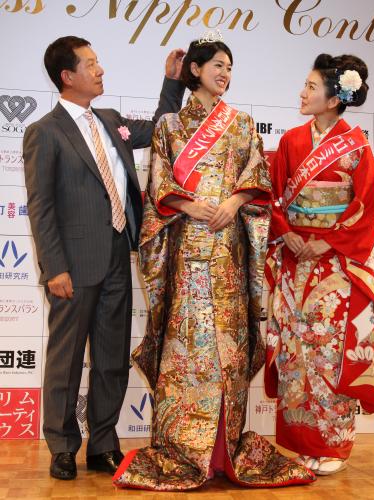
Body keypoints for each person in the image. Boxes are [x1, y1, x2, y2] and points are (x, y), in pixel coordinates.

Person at [113, 35, 314, 491]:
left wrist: (235, 201)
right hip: (187, 248)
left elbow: (258, 178)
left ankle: (225, 450)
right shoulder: (169, 126)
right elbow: (159, 182)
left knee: (228, 345)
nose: (225, 74)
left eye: (229, 67)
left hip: (228, 250)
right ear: (196, 69)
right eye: (218, 65)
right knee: (190, 347)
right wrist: (188, 206)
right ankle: (185, 448)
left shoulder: (241, 124)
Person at [23, 35, 186, 480]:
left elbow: (161, 128)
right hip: (72, 267)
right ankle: (62, 446)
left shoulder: (111, 120)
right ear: (67, 76)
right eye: (91, 64)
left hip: (117, 255)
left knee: (112, 358)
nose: (100, 70)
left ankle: (102, 444)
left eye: (99, 62)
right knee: (66, 360)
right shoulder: (44, 132)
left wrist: (172, 82)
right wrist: (54, 268)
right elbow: (41, 207)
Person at [264, 53, 374, 476]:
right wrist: (287, 231)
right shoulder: (292, 141)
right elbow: (273, 195)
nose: (302, 93)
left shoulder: (357, 146)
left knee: (328, 350)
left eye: (311, 87)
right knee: (296, 351)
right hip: (295, 259)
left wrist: (327, 240)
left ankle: (332, 444)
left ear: (334, 99)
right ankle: (301, 442)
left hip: (334, 266)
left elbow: (366, 206)